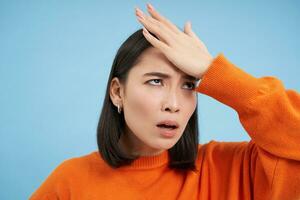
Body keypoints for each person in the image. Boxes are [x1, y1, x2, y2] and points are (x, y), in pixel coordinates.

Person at [30, 3, 300, 200]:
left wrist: (211, 70)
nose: (174, 104)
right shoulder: (70, 182)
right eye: (156, 81)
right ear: (117, 92)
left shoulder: (237, 169)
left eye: (188, 84)